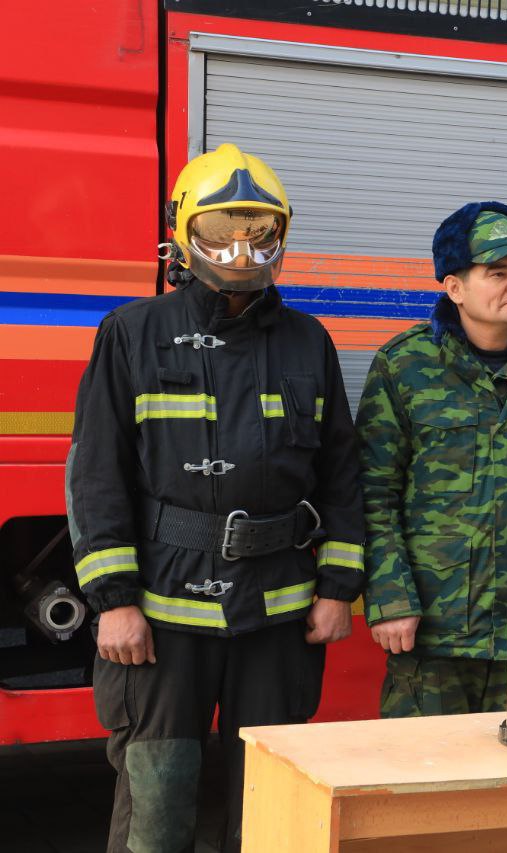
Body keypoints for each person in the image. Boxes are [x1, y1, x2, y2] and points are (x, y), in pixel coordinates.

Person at [68, 143, 365, 852]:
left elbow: (341, 470)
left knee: (274, 804)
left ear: (281, 237)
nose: (240, 250)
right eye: (220, 231)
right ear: (181, 233)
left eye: (259, 233)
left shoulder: (306, 341)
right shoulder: (132, 334)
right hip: (163, 616)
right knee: (157, 799)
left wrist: (338, 587)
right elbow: (95, 473)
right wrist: (115, 601)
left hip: (280, 614)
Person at [359, 202, 507, 717]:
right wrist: (392, 600)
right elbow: (374, 494)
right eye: (497, 273)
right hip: (434, 632)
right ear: (454, 286)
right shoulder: (406, 366)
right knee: (422, 777)